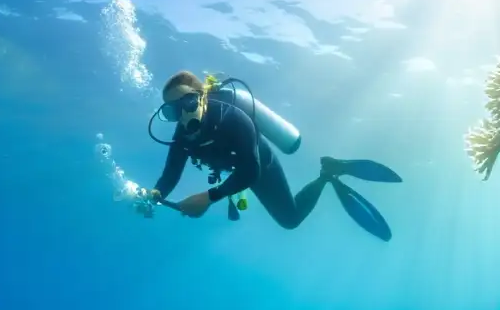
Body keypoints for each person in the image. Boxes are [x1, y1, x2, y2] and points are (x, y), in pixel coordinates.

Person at [148, 71, 401, 241]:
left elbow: (250, 171)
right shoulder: (182, 134)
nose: (183, 115)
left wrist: (208, 197)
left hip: (259, 164)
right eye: (173, 111)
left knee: (290, 220)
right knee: (282, 217)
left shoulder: (233, 117)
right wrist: (155, 196)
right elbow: (170, 174)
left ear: (203, 97)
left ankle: (327, 174)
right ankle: (329, 172)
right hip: (237, 171)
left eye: (188, 103)